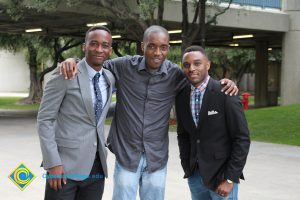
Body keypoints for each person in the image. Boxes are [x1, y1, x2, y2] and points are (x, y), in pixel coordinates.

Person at [60, 25, 238, 200]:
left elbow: (199, 79)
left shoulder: (175, 74)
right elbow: (94, 62)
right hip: (127, 156)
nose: (157, 52)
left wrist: (224, 83)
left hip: (156, 158)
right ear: (143, 46)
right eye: (152, 46)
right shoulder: (123, 66)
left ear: (168, 48)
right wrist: (73, 60)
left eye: (163, 47)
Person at [37, 26, 115, 200]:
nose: (99, 49)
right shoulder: (65, 73)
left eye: (105, 45)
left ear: (110, 50)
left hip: (96, 168)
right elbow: (45, 120)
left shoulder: (109, 78)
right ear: (84, 46)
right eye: (93, 44)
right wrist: (53, 163)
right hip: (65, 166)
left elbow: (97, 116)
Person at [176, 45, 250, 200]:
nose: (192, 69)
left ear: (208, 65)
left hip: (221, 177)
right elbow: (183, 134)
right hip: (195, 176)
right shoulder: (181, 95)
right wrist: (186, 165)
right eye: (187, 65)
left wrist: (230, 178)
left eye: (197, 63)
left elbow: (241, 138)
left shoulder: (225, 92)